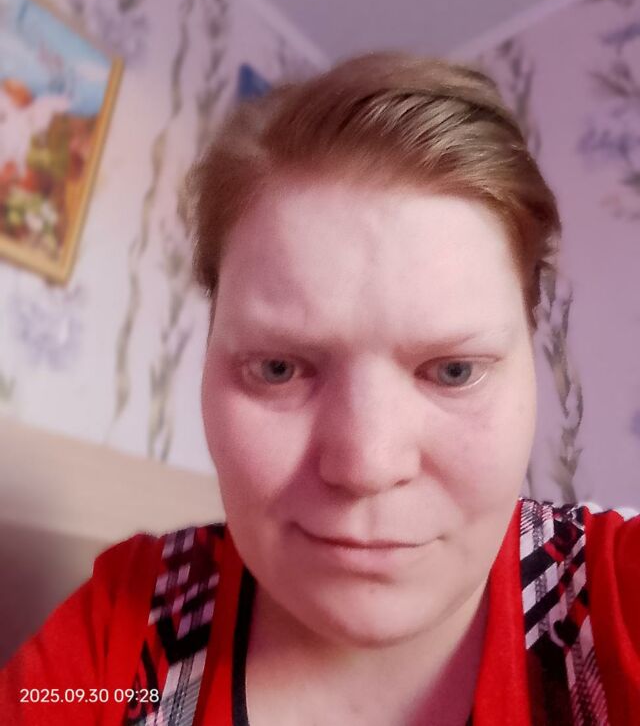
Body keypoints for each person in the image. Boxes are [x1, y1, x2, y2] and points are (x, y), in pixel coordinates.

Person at [1, 53, 638, 725]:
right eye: (278, 368)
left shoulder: (616, 605)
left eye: (453, 370)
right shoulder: (129, 629)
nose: (366, 466)